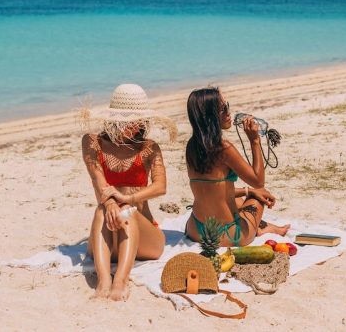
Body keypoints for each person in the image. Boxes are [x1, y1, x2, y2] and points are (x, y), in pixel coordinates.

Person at [81, 84, 168, 301]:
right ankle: (103, 282)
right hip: (108, 238)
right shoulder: (92, 143)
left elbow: (161, 187)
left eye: (139, 120)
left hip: (145, 239)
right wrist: (111, 203)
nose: (136, 125)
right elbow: (97, 179)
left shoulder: (149, 147)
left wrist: (127, 199)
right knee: (102, 210)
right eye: (130, 120)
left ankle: (120, 281)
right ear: (115, 119)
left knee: (126, 210)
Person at [184, 87, 289, 247]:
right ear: (210, 116)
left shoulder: (192, 146)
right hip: (227, 234)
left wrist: (248, 191)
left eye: (227, 105)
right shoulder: (223, 148)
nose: (228, 112)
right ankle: (260, 229)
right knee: (260, 196)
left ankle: (262, 227)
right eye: (223, 109)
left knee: (242, 198)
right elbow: (258, 181)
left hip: (195, 230)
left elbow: (214, 190)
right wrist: (254, 141)